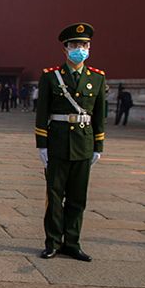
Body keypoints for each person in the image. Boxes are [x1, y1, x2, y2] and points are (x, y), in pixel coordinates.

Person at [34, 22, 106, 262]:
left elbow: (99, 115)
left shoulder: (96, 78)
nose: (80, 49)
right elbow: (42, 113)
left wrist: (98, 146)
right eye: (75, 45)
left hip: (83, 145)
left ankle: (72, 242)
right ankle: (52, 242)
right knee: (54, 197)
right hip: (57, 144)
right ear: (65, 49)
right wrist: (41, 145)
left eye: (84, 45)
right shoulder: (51, 77)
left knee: (78, 198)